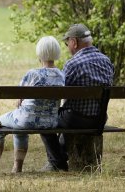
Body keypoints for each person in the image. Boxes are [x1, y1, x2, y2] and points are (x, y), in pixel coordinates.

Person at [40, 23, 114, 172]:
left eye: (68, 43)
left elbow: (59, 91)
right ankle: (60, 158)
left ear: (74, 42)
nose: (68, 46)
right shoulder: (106, 61)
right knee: (65, 116)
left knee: (44, 119)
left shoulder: (72, 64)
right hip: (99, 119)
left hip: (76, 119)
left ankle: (57, 162)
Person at [0, 36, 65, 174]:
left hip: (26, 120)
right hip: (50, 123)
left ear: (39, 53)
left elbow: (19, 98)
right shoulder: (62, 75)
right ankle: (17, 168)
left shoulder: (32, 74)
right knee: (19, 124)